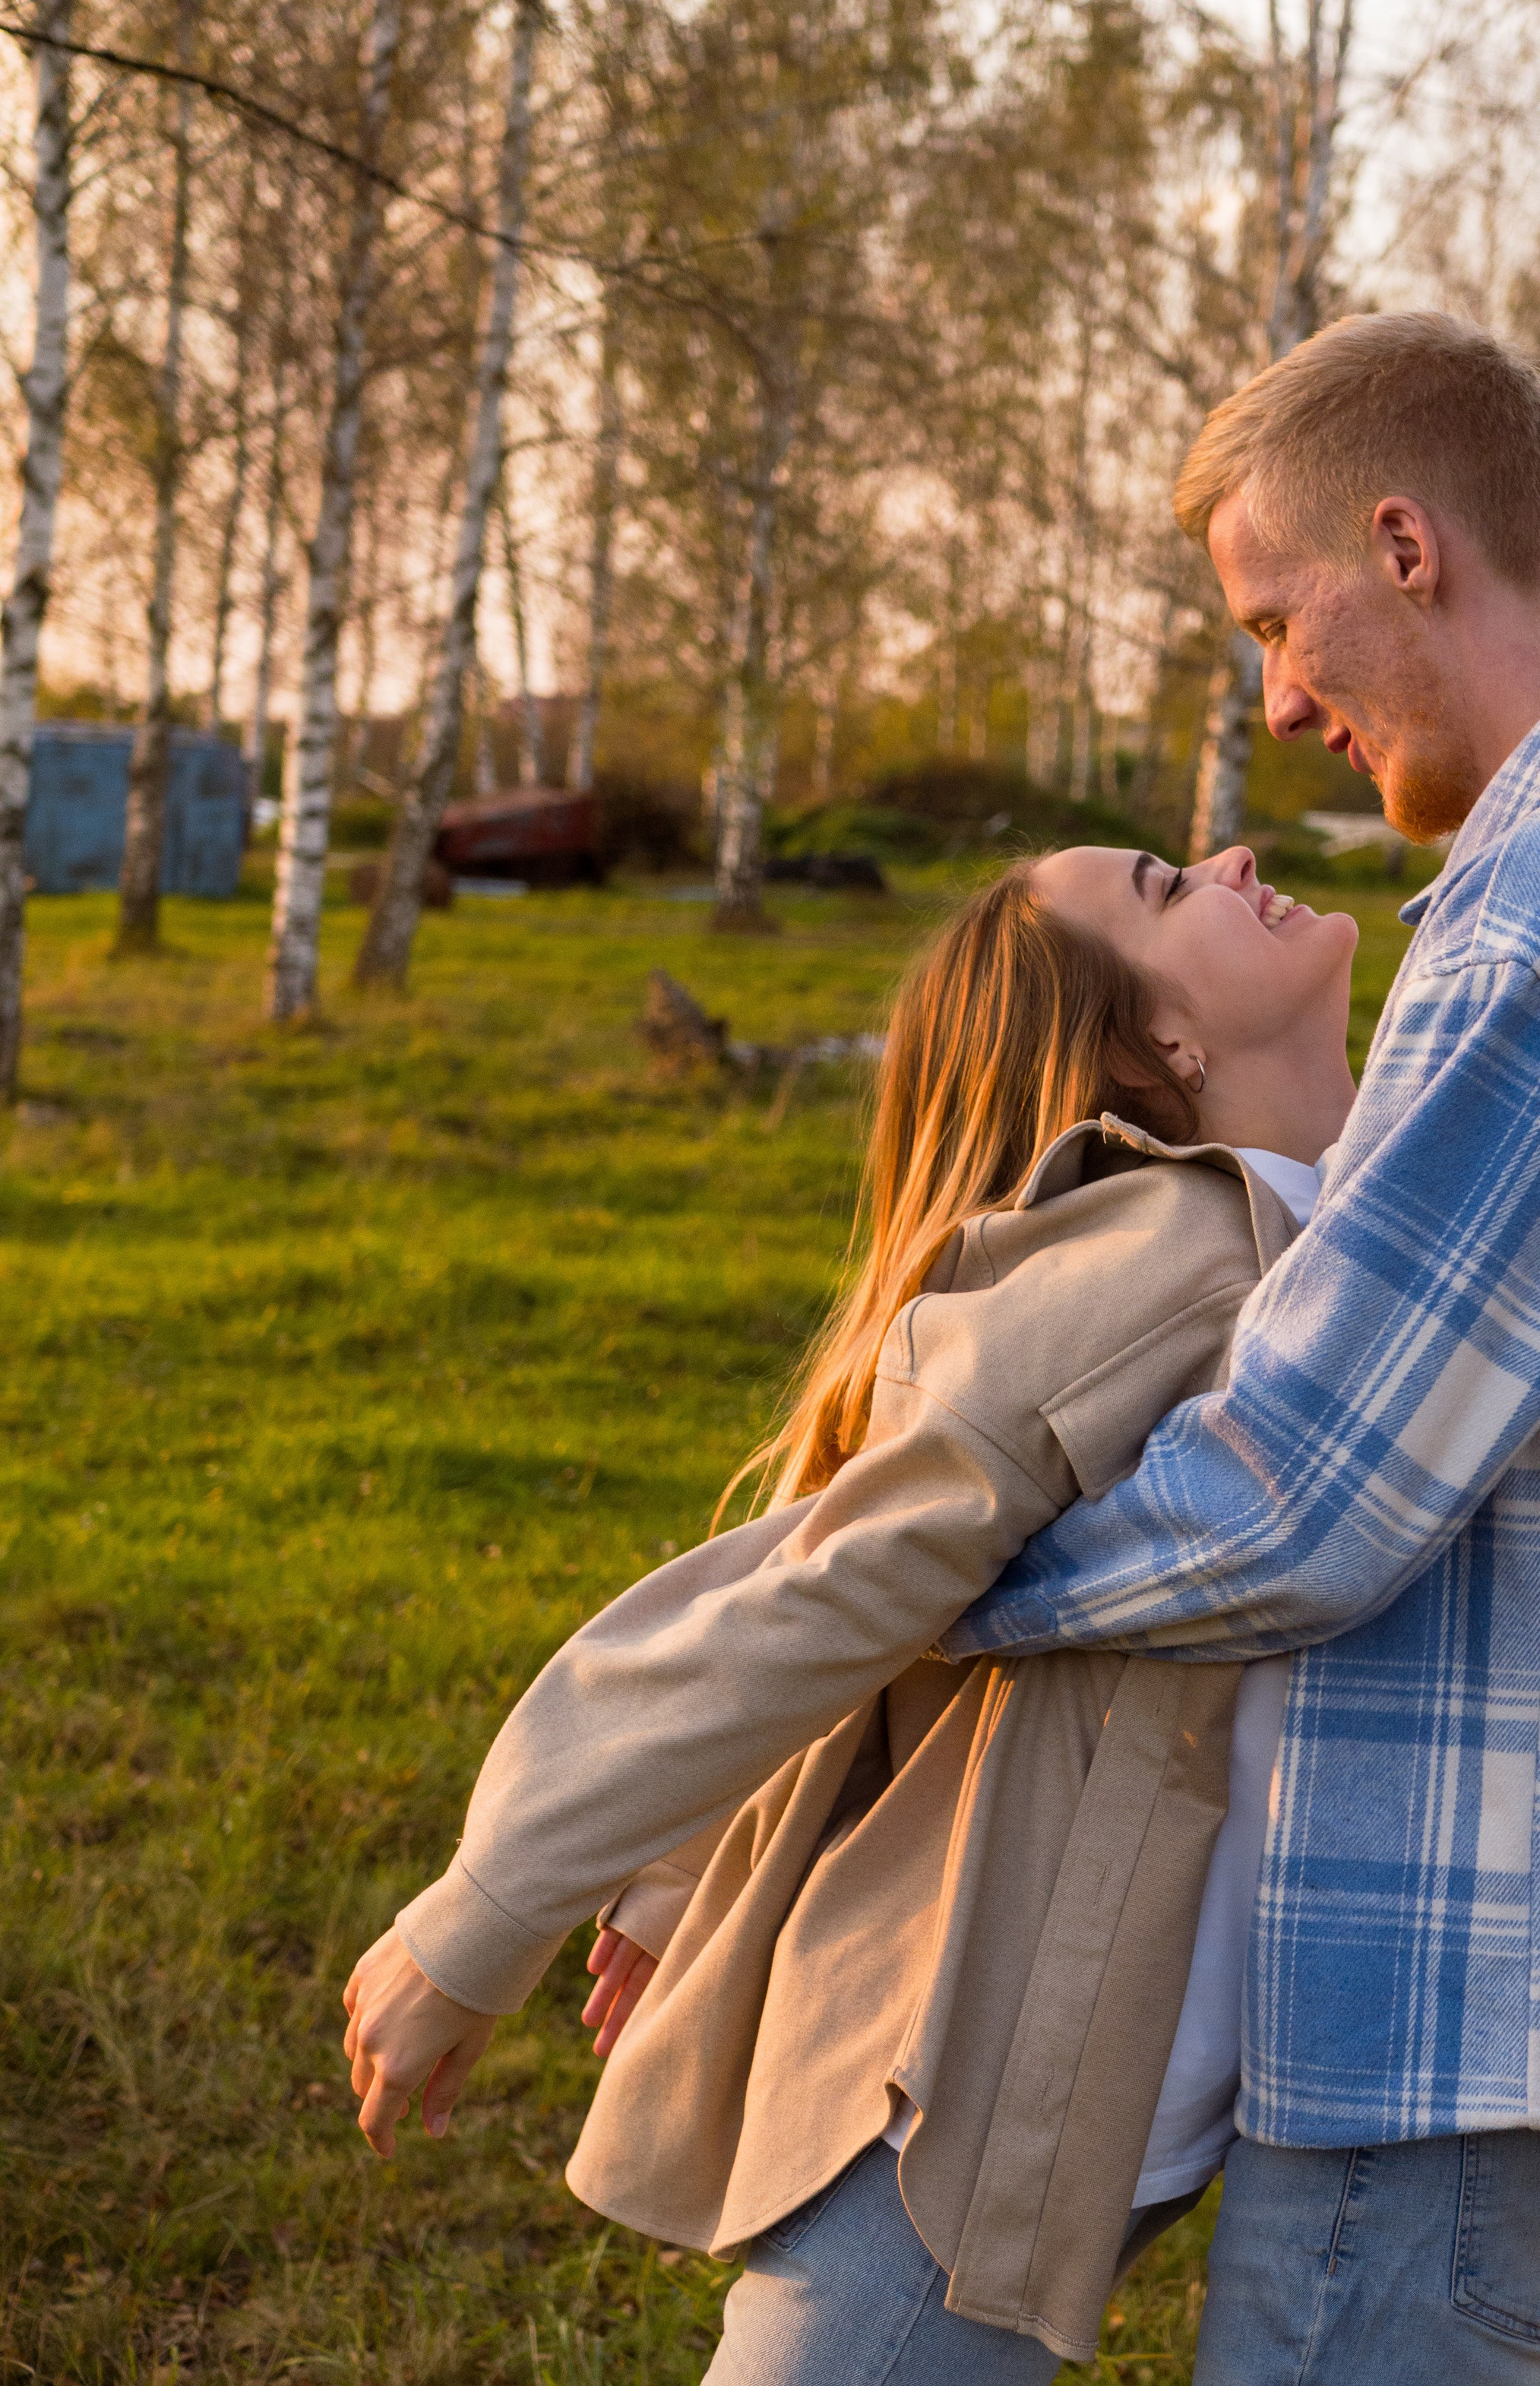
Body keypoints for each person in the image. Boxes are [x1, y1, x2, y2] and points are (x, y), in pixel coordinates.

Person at [931, 311, 1540, 2383]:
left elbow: (1302, 1495)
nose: (1278, 707)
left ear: (1404, 546)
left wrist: (930, 1591)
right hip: (1531, 1975)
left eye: (1276, 624)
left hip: (1461, 1992)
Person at [341, 840, 1363, 2378]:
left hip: (1142, 2024)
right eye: (1164, 886)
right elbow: (843, 1574)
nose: (1231, 855)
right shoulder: (1177, 1246)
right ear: (1162, 1045)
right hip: (980, 2051)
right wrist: (494, 1905)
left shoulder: (1336, 1207)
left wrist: (677, 1853)